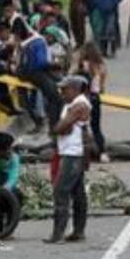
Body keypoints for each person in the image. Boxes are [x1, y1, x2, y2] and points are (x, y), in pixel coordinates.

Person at [46, 76, 92, 243]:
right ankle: (78, 231)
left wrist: (58, 128)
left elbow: (62, 126)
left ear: (75, 89)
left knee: (61, 190)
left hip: (73, 154)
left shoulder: (79, 105)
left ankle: (58, 234)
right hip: (72, 152)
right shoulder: (72, 105)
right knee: (77, 192)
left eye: (65, 89)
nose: (62, 93)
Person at [15, 20, 60, 131]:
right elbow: (41, 63)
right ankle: (54, 126)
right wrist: (54, 65)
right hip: (36, 73)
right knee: (54, 97)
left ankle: (39, 121)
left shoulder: (24, 44)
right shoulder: (39, 42)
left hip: (23, 73)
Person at [75, 42, 107, 154]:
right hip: (96, 98)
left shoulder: (83, 65)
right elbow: (102, 88)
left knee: (81, 126)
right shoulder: (101, 66)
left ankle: (82, 151)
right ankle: (102, 152)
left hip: (85, 98)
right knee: (96, 127)